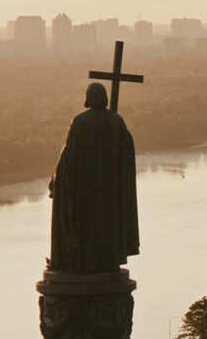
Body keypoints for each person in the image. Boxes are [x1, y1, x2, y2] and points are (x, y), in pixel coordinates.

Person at [48, 82, 139, 273]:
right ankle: (107, 259)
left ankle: (83, 261)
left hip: (84, 191)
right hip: (110, 191)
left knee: (85, 226)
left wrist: (57, 180)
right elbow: (127, 153)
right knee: (105, 225)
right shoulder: (116, 121)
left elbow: (69, 157)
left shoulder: (81, 122)